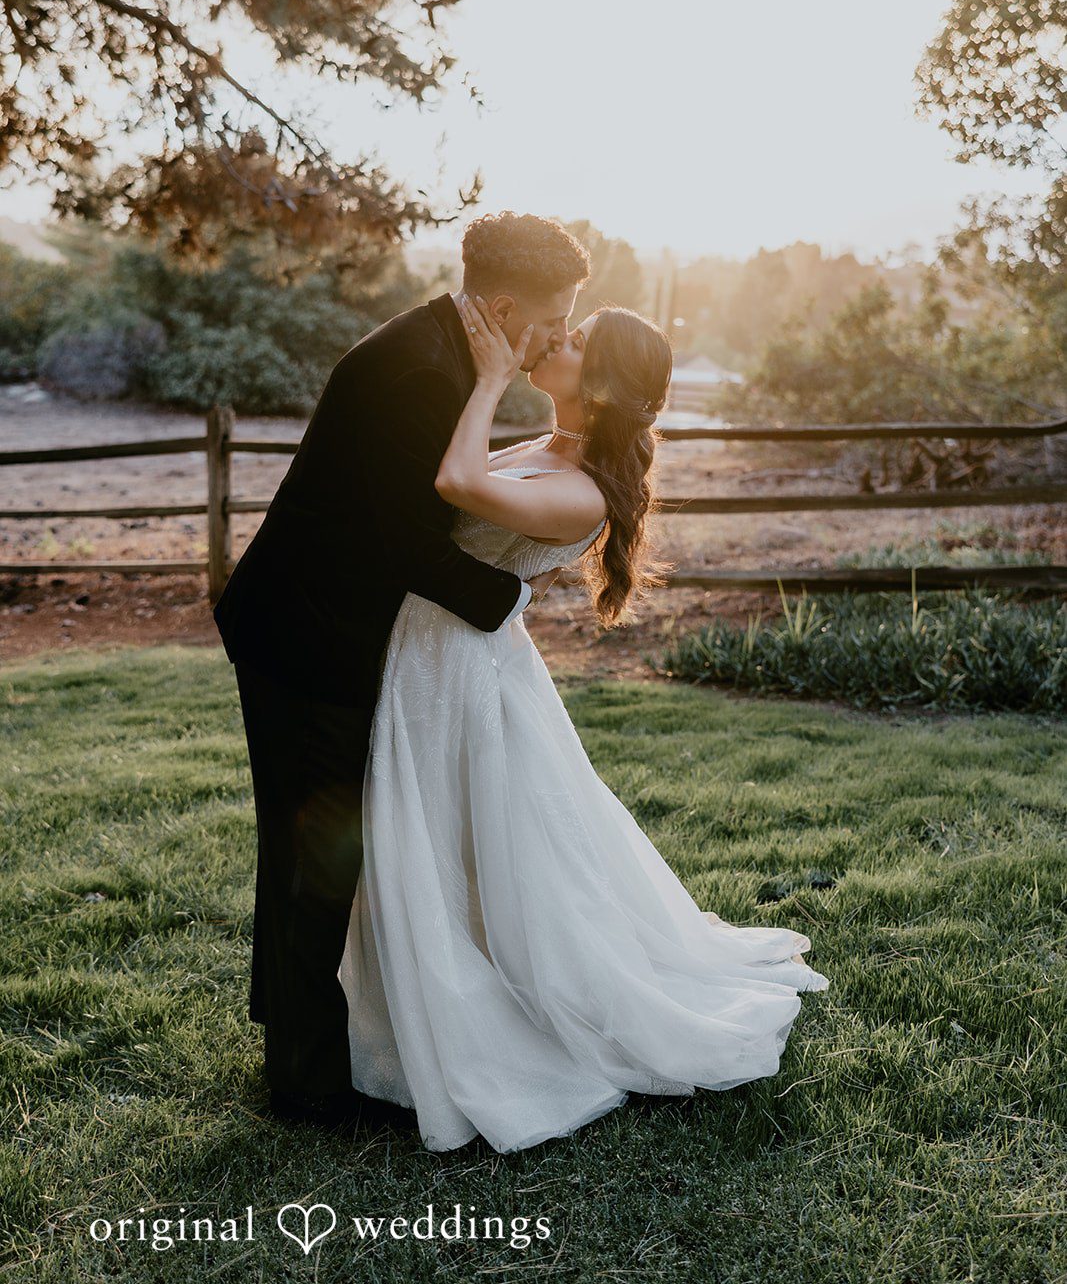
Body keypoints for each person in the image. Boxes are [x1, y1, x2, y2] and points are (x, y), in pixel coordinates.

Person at [337, 283, 830, 1154]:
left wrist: (488, 377)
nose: (555, 337)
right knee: (460, 840)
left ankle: (492, 1006)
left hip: (456, 669)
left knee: (475, 840)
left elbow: (456, 482)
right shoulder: (553, 445)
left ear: (597, 387)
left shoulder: (582, 495)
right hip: (433, 657)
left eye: (576, 338)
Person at [213, 211, 592, 1128]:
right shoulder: (424, 372)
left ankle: (292, 1024)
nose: (553, 341)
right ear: (502, 307)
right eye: (549, 320)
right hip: (310, 636)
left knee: (306, 846)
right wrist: (513, 604)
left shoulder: (441, 346)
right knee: (320, 855)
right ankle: (305, 1083)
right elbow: (411, 550)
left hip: (308, 622)